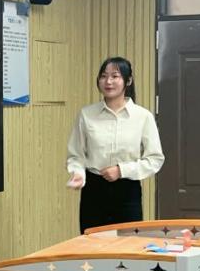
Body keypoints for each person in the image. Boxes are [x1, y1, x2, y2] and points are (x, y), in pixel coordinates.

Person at [66, 57, 164, 234]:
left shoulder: (143, 117)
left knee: (127, 244)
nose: (108, 81)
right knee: (92, 244)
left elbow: (155, 159)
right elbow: (76, 155)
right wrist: (78, 173)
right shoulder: (86, 114)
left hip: (127, 191)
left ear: (128, 80)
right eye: (104, 76)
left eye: (115, 76)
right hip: (93, 190)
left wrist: (121, 170)